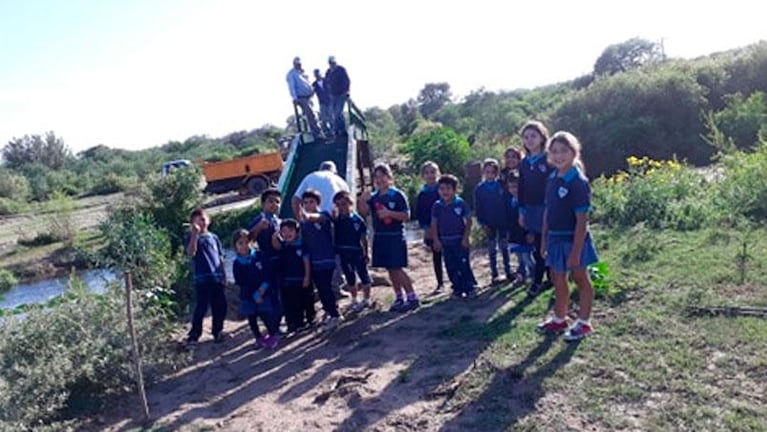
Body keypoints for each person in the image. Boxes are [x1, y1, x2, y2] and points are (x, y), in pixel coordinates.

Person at [536, 131, 599, 342]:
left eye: (564, 151)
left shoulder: (578, 182)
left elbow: (582, 221)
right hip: (554, 239)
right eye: (554, 151)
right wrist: (544, 240)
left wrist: (576, 251)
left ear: (574, 152)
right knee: (557, 278)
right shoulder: (552, 178)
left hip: (574, 239)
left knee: (580, 279)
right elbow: (548, 211)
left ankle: (584, 322)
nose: (559, 156)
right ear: (549, 154)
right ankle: (560, 318)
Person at [359, 163, 419, 312]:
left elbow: (406, 216)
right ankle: (399, 297)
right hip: (380, 237)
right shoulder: (374, 197)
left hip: (395, 236)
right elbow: (364, 212)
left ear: (389, 177)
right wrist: (362, 200)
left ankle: (412, 297)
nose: (379, 180)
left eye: (382, 176)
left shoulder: (397, 195)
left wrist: (389, 213)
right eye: (376, 177)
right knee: (390, 269)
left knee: (397, 267)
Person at [291, 161, 351, 297]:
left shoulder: (310, 176)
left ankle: (318, 286)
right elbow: (348, 202)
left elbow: (295, 199)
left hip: (311, 220)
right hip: (332, 219)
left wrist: (300, 219)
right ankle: (335, 286)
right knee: (335, 253)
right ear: (334, 171)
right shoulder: (340, 180)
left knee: (311, 253)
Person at [518, 120, 555, 296]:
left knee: (549, 243)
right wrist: (522, 211)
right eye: (526, 137)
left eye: (533, 136)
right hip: (531, 210)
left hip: (548, 208)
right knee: (537, 245)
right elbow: (521, 188)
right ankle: (544, 278)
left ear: (542, 137)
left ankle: (541, 280)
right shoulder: (524, 163)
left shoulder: (549, 159)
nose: (530, 140)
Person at [299, 189, 342, 330]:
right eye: (305, 202)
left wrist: (309, 216)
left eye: (311, 202)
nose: (308, 205)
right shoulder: (304, 223)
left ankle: (335, 315)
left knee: (326, 288)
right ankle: (330, 312)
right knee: (322, 289)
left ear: (318, 203)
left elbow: (319, 218)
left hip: (327, 259)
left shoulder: (323, 215)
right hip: (314, 262)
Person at [185, 208, 227, 345]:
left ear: (208, 220)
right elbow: (191, 252)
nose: (201, 222)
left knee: (220, 305)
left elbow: (220, 257)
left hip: (216, 277)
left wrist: (224, 275)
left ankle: (218, 331)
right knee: (201, 307)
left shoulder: (214, 237)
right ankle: (194, 335)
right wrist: (194, 235)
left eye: (203, 219)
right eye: (197, 220)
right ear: (192, 223)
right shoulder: (191, 237)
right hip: (202, 279)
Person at [232, 229, 280, 349]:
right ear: (235, 246)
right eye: (240, 243)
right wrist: (253, 294)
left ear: (251, 242)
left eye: (246, 242)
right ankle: (258, 338)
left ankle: (273, 335)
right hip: (248, 295)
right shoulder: (237, 263)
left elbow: (268, 274)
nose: (244, 246)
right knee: (252, 317)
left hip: (263, 292)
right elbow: (241, 282)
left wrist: (261, 291)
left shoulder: (259, 256)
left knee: (266, 314)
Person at [431, 174, 476, 298]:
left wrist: (466, 237)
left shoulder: (460, 203)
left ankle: (469, 287)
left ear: (455, 189)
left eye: (448, 188)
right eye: (441, 188)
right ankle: (456, 288)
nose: (445, 191)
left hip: (459, 240)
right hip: (445, 241)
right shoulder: (437, 206)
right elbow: (434, 224)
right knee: (450, 265)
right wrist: (436, 240)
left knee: (463, 263)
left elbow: (469, 221)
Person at [272, 219, 315, 335]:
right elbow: (275, 244)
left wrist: (307, 276)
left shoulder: (301, 244)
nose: (287, 234)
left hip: (301, 279)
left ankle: (308, 320)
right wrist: (275, 234)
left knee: (305, 301)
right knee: (290, 304)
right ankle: (293, 324)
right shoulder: (284, 246)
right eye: (284, 231)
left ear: (296, 232)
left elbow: (306, 262)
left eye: (290, 231)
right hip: (287, 281)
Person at [332, 190, 372, 312]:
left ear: (350, 203)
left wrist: (366, 252)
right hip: (344, 253)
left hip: (357, 252)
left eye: (343, 204)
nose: (341, 207)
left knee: (363, 274)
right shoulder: (337, 220)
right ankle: (354, 299)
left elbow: (363, 238)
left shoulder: (357, 220)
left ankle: (366, 298)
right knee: (350, 277)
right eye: (338, 205)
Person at [474, 158, 512, 284]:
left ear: (496, 173)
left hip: (502, 221)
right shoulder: (480, 188)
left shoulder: (501, 185)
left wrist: (509, 220)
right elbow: (478, 208)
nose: (489, 175)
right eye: (487, 172)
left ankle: (508, 271)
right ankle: (494, 274)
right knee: (492, 249)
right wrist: (482, 223)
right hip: (489, 223)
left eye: (492, 172)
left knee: (505, 247)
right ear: (483, 172)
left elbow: (507, 203)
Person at [415, 161, 445, 294]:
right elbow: (420, 214)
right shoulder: (422, 194)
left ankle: (457, 280)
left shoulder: (444, 189)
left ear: (438, 173)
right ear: (423, 176)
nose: (430, 175)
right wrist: (426, 230)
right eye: (427, 173)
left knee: (452, 254)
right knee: (437, 256)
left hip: (447, 226)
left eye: (433, 172)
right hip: (432, 229)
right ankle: (440, 283)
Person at [505, 174, 534, 286]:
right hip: (515, 235)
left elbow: (530, 219)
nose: (514, 190)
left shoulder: (526, 202)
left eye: (516, 187)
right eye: (511, 187)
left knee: (527, 258)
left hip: (525, 234)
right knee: (519, 258)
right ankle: (522, 276)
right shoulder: (511, 201)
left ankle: (534, 276)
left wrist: (530, 232)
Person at [286, 56, 321, 136]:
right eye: (297, 64)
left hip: (309, 97)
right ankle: (316, 132)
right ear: (294, 64)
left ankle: (317, 131)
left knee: (314, 114)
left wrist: (311, 90)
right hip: (301, 98)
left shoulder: (303, 72)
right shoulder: (292, 74)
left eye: (300, 64)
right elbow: (292, 86)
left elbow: (307, 83)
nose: (299, 65)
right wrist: (295, 98)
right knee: (310, 114)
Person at [325, 56, 350, 137]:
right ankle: (338, 130)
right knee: (333, 113)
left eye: (333, 63)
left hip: (342, 94)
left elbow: (347, 81)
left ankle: (341, 130)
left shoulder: (341, 69)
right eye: (330, 63)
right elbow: (326, 83)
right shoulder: (328, 72)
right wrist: (328, 92)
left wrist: (347, 91)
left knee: (338, 112)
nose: (332, 64)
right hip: (333, 95)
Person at [312, 68, 332, 136]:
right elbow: (312, 93)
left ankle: (333, 131)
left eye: (318, 74)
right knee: (323, 118)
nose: (317, 75)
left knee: (331, 117)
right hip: (322, 102)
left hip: (329, 101)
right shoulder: (314, 84)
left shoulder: (326, 80)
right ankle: (327, 132)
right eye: (316, 74)